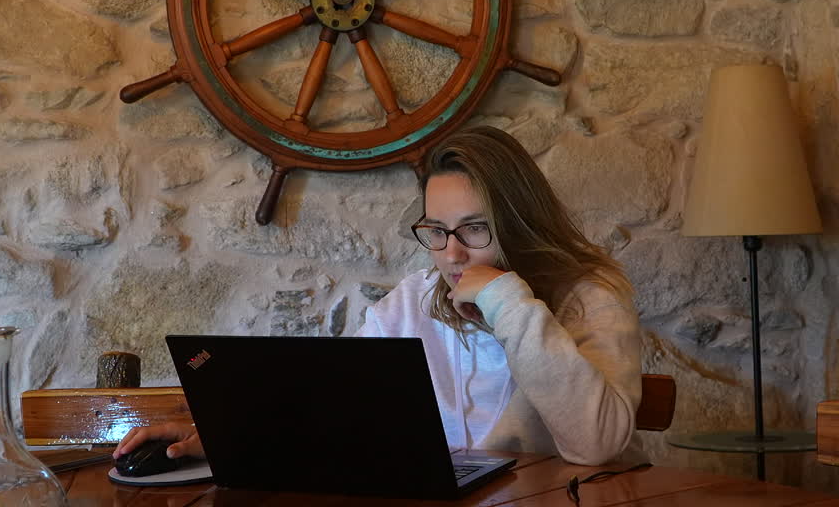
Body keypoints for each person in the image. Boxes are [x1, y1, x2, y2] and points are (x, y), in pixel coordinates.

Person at [115, 126, 644, 466]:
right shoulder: (410, 304)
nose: (452, 255)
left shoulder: (590, 296)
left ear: (520, 224)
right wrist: (225, 436)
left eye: (475, 229)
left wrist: (507, 299)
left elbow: (594, 443)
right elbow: (331, 413)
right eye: (436, 231)